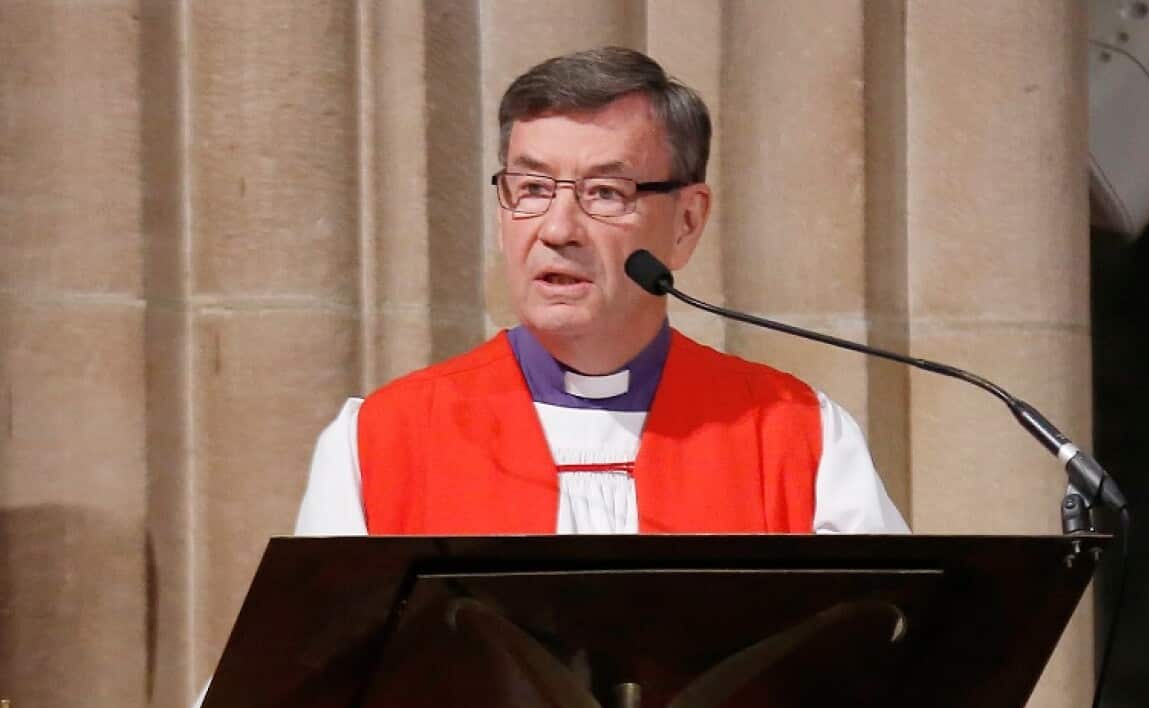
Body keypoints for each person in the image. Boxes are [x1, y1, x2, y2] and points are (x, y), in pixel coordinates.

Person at [296, 46, 907, 537]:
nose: (558, 230)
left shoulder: (798, 438)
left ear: (688, 222)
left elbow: (891, 677)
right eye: (531, 188)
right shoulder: (379, 443)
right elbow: (296, 686)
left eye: (605, 194)